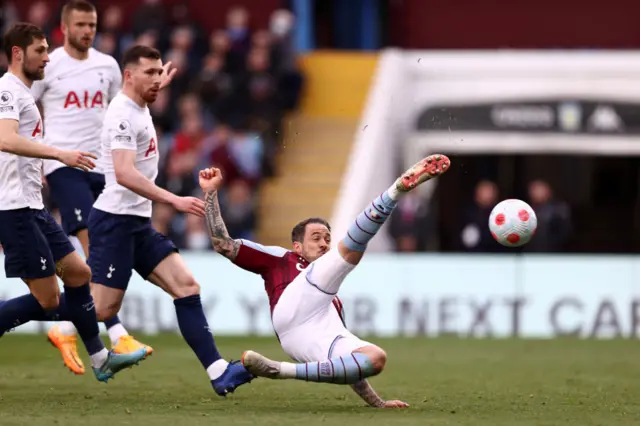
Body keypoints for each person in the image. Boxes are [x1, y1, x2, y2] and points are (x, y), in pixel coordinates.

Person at [197, 153, 451, 407]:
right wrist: (210, 193)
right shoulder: (280, 258)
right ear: (297, 246)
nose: (323, 243)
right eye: (316, 237)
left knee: (374, 359)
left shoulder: (333, 301)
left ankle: (277, 369)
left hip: (302, 341)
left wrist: (378, 403)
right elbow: (223, 244)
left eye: (327, 238)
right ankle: (395, 191)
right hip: (291, 309)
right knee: (350, 251)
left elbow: (349, 370)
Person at [87, 44, 254, 396]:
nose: (157, 79)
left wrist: (161, 82)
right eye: (149, 73)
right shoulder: (122, 114)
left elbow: (152, 92)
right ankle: (30, 309)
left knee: (186, 286)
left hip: (137, 225)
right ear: (128, 76)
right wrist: (173, 199)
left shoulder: (141, 104)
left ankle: (219, 372)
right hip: (115, 222)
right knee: (100, 308)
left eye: (159, 72)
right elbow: (123, 173)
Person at [0, 22, 147, 382]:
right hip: (14, 207)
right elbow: (5, 139)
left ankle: (100, 358)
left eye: (48, 50)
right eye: (40, 51)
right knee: (48, 300)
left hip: (33, 205)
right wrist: (58, 153)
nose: (47, 58)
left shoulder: (23, 91)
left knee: (80, 273)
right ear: (18, 53)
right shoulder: (7, 90)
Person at [31, 0, 160, 376]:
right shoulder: (50, 65)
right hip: (64, 166)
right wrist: (40, 158)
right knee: (91, 241)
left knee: (95, 253)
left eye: (92, 24)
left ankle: (68, 327)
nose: (88, 30)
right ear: (64, 27)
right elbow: (26, 112)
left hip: (101, 166)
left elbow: (120, 109)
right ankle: (117, 333)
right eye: (81, 24)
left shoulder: (106, 66)